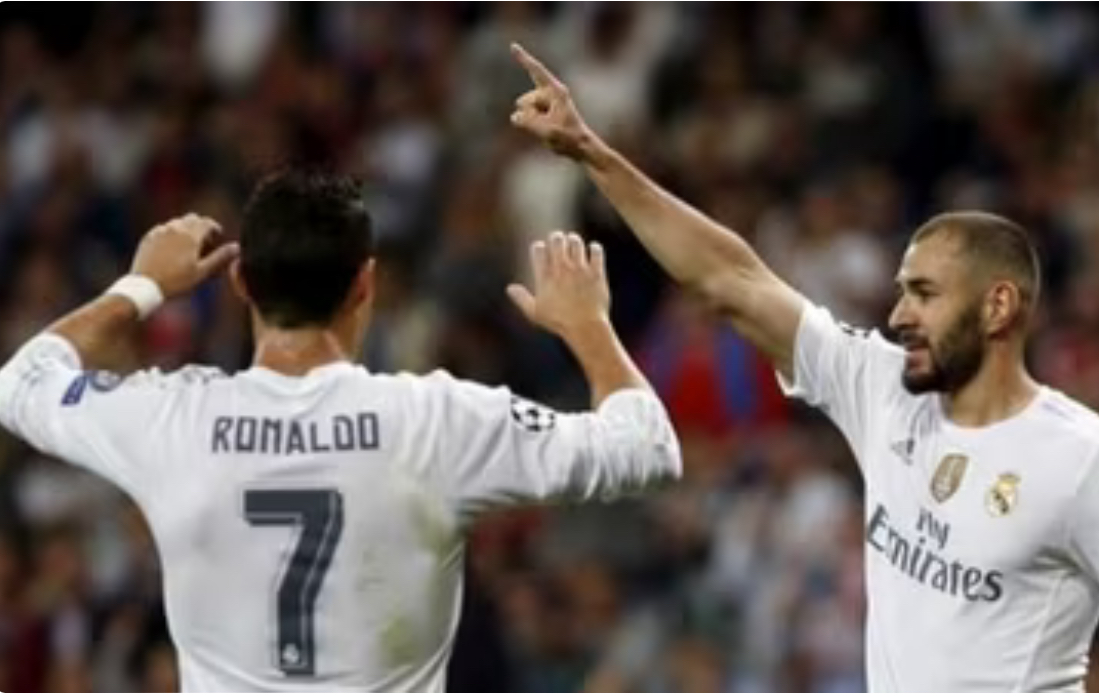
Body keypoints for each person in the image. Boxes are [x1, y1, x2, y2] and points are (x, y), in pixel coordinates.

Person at [507, 44, 1099, 692]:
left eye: (925, 294)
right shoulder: (881, 387)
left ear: (999, 306)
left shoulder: (1089, 459)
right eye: (902, 290)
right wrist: (592, 153)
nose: (900, 313)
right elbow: (733, 281)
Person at [0, 170, 681, 692]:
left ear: (240, 281)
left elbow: (19, 384)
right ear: (365, 285)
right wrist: (589, 326)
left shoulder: (173, 418)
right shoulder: (436, 421)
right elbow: (647, 446)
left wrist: (142, 285)